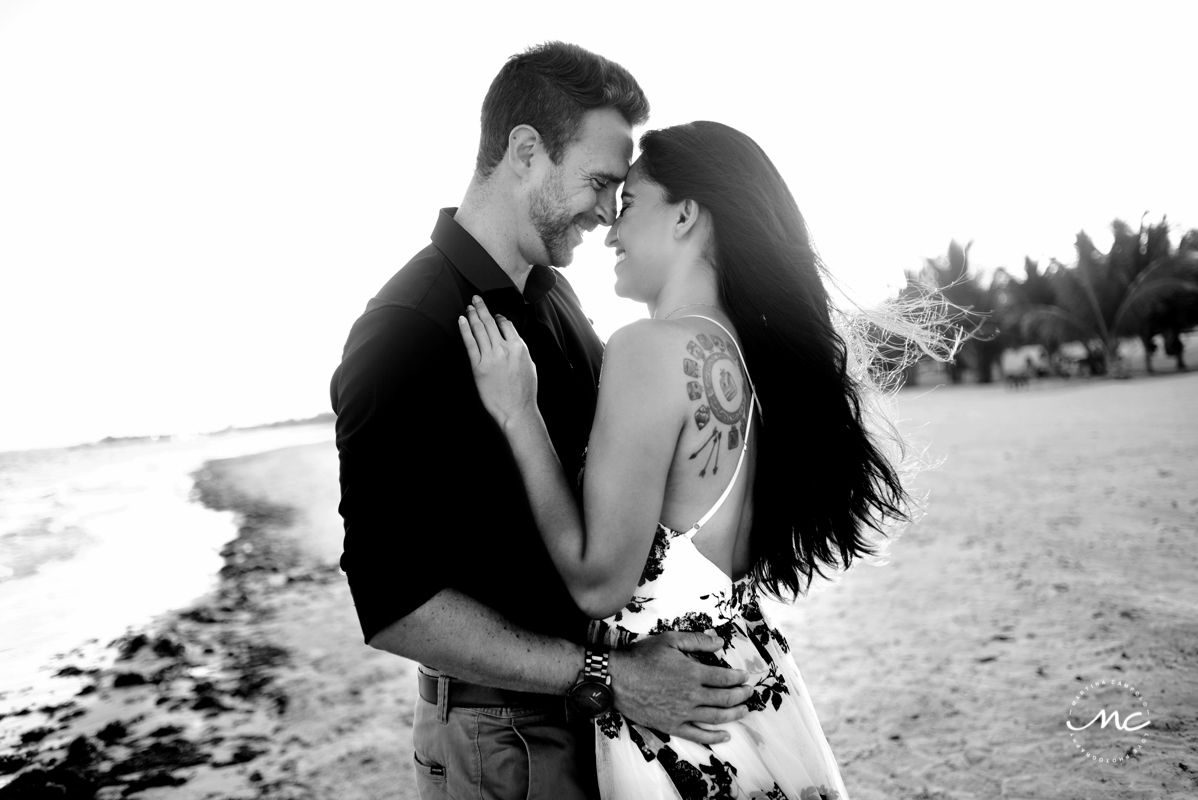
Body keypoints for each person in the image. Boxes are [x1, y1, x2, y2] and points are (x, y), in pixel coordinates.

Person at [330, 46, 756, 800]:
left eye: (620, 192)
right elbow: (394, 604)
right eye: (598, 183)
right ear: (526, 151)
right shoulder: (407, 326)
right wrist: (607, 676)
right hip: (505, 740)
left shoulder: (556, 299)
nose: (606, 211)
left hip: (601, 716)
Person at [458, 121, 928, 799]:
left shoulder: (650, 349)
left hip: (683, 720)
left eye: (628, 208)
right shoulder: (753, 358)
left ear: (685, 215)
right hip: (750, 685)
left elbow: (598, 585)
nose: (611, 233)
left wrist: (518, 414)